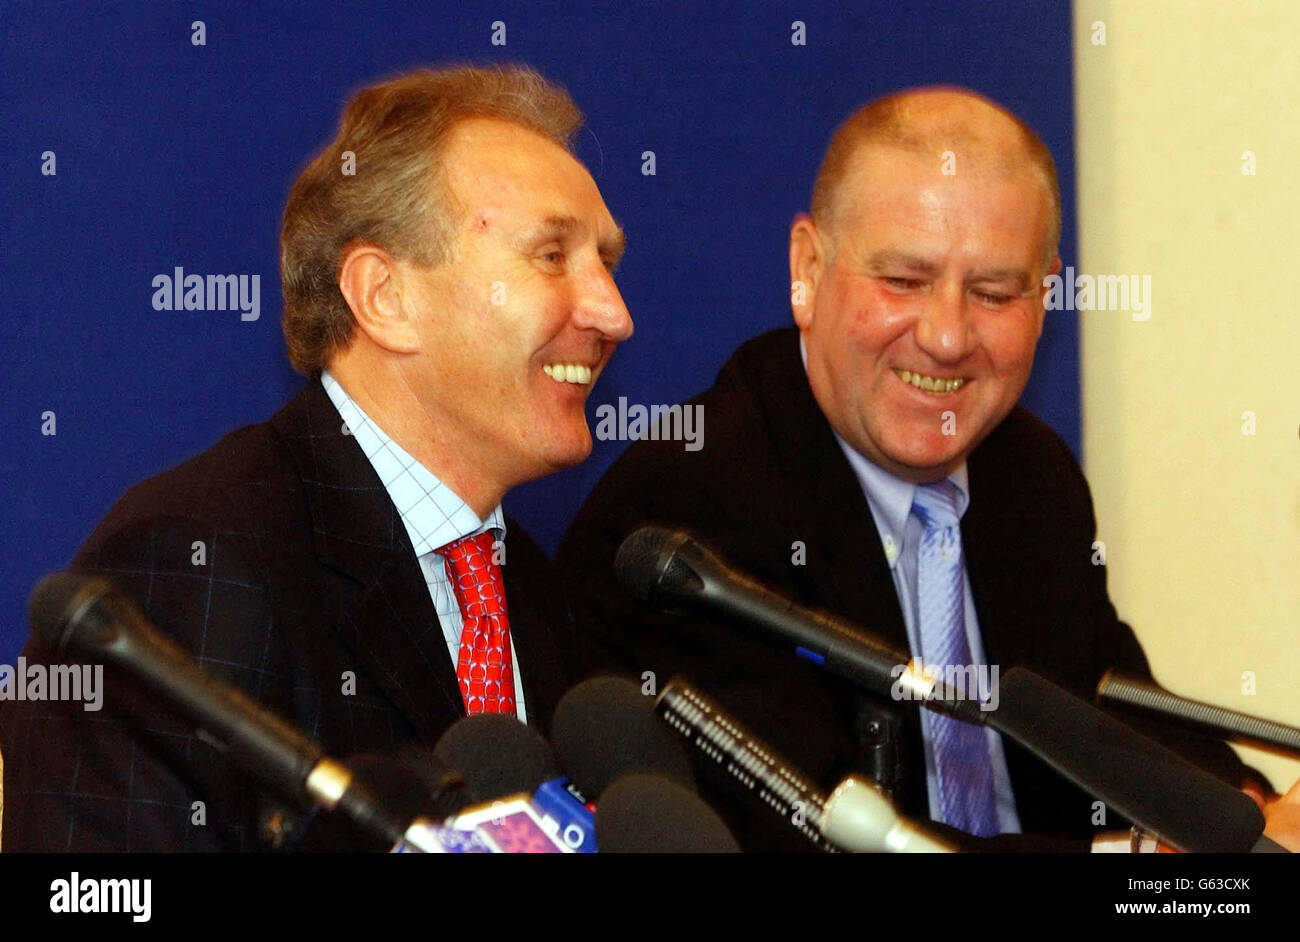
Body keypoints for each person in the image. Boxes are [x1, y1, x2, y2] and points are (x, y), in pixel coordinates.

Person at [558, 86, 1288, 852]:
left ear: (1046, 293)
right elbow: (823, 835)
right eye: (904, 282)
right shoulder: (691, 505)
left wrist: (1250, 813)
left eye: (995, 292)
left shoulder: (1028, 473)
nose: (945, 337)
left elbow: (1110, 716)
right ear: (807, 267)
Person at [0, 64, 633, 851]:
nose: (615, 313)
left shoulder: (535, 591)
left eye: (607, 262)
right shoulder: (191, 565)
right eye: (551, 255)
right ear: (384, 297)